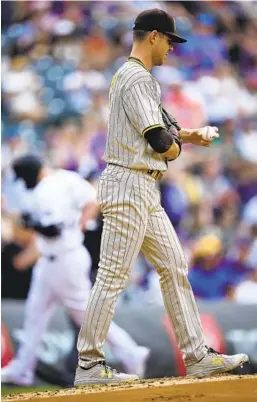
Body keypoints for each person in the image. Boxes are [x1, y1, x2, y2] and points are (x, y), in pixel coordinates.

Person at [75, 9, 249, 385]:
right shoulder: (137, 78)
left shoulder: (135, 77)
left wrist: (189, 135)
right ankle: (89, 364)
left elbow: (163, 128)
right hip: (128, 182)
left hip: (142, 186)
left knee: (174, 266)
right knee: (112, 275)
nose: (171, 48)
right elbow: (158, 140)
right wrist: (176, 149)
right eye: (169, 40)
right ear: (153, 36)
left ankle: (197, 355)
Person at [1, 154, 150, 386]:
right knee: (35, 314)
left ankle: (131, 352)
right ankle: (22, 369)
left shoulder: (46, 190)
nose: (23, 183)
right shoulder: (66, 178)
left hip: (64, 262)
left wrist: (22, 221)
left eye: (23, 178)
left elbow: (52, 229)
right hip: (54, 260)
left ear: (31, 173)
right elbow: (93, 200)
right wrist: (79, 225)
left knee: (86, 317)